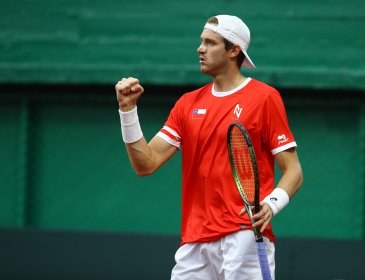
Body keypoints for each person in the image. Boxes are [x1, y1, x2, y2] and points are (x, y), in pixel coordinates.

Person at [115, 14, 303, 280]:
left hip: (243, 236)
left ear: (234, 50)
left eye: (210, 43)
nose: (199, 48)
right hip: (194, 241)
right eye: (201, 41)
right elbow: (145, 163)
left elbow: (294, 171)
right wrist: (127, 111)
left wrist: (271, 204)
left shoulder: (264, 98)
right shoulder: (187, 104)